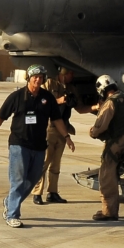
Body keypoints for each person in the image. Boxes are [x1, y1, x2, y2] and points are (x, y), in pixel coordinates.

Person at [0, 64, 73, 228]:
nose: (38, 80)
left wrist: (67, 137)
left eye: (41, 77)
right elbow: (0, 117)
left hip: (38, 145)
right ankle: (12, 214)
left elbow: (57, 119)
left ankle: (9, 201)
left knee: (32, 179)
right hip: (19, 144)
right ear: (29, 78)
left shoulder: (48, 98)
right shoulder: (16, 96)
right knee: (18, 180)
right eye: (35, 77)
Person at [33, 66, 88, 205]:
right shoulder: (49, 84)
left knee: (56, 164)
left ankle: (52, 192)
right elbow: (39, 101)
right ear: (63, 73)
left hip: (63, 129)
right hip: (48, 128)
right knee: (44, 162)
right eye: (70, 73)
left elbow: (80, 108)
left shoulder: (71, 88)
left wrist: (96, 107)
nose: (72, 75)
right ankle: (37, 193)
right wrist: (59, 100)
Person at [89, 74, 124, 221]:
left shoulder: (110, 103)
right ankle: (111, 210)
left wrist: (93, 132)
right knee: (113, 175)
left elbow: (101, 124)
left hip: (113, 143)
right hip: (123, 141)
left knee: (106, 178)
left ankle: (108, 211)